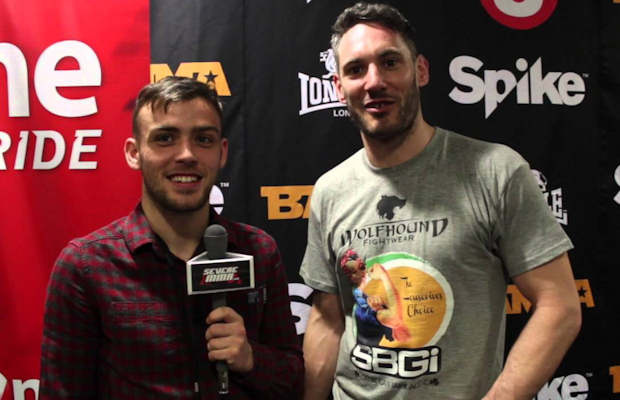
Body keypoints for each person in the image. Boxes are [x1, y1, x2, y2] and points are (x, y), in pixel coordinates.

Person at [300, 3, 581, 399]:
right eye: (356, 69)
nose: (374, 82)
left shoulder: (495, 171)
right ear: (338, 87)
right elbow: (328, 321)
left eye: (390, 62)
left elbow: (560, 306)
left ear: (420, 71)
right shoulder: (330, 190)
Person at [40, 76, 303, 399]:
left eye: (203, 139)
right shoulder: (86, 266)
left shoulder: (259, 251)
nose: (187, 154)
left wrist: (251, 359)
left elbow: (293, 381)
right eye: (165, 138)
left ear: (222, 153)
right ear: (134, 153)